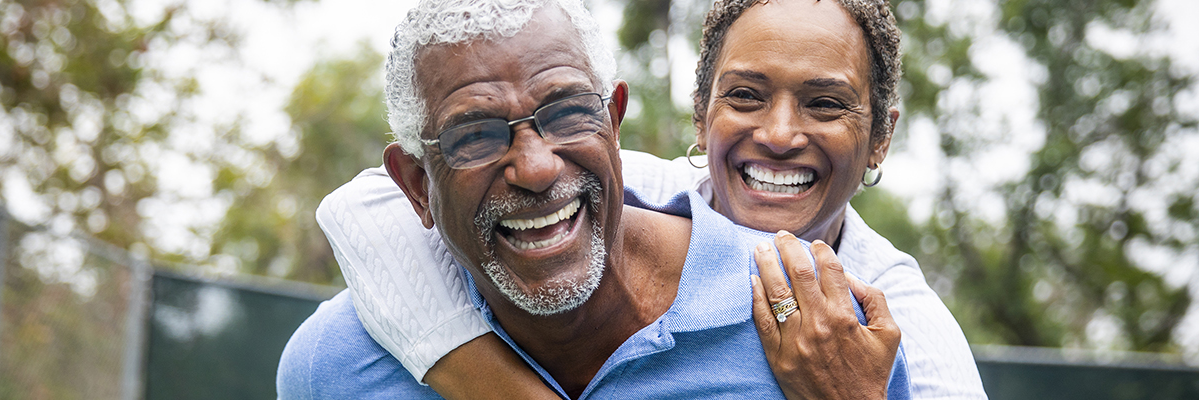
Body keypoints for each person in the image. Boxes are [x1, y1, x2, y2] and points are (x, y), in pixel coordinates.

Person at [310, 0, 989, 398]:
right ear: (700, 116)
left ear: (880, 139)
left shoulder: (889, 318)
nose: (779, 135)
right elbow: (362, 206)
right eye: (745, 96)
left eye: (826, 103)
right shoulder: (614, 181)